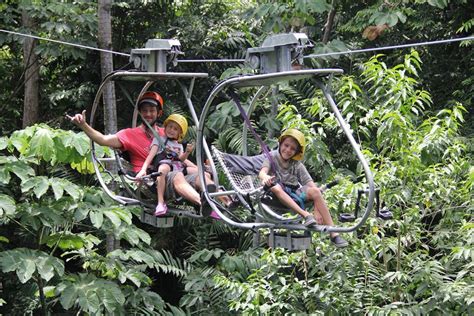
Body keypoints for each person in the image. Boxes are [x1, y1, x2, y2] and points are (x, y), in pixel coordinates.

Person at [66, 91, 220, 218]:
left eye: (152, 111)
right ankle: (204, 203)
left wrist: (201, 168)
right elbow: (102, 140)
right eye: (145, 111)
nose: (148, 114)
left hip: (172, 172)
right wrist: (83, 125)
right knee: (176, 176)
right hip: (150, 182)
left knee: (201, 176)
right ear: (140, 112)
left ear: (159, 113)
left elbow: (178, 159)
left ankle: (224, 202)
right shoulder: (129, 134)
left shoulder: (167, 133)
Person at [258, 128, 348, 248]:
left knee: (315, 191)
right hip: (274, 194)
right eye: (286, 145)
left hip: (294, 193)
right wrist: (265, 177)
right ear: (280, 144)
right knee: (276, 187)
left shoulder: (297, 165)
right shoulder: (272, 157)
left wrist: (317, 210)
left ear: (296, 152)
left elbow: (312, 186)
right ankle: (305, 215)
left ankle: (334, 234)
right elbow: (262, 172)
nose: (288, 150)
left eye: (292, 149)